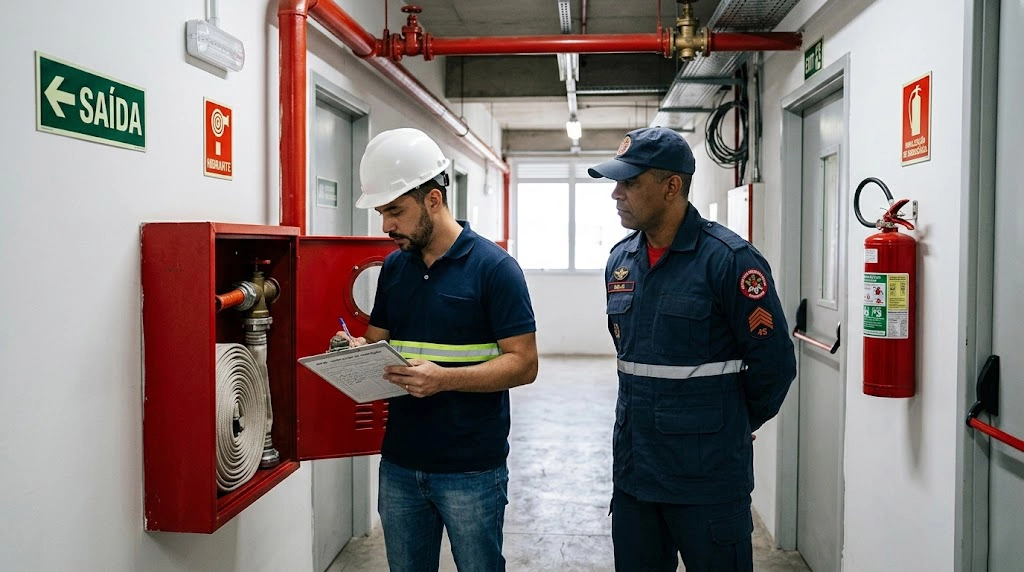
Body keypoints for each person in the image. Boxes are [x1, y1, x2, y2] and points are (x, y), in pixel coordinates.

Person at [588, 127, 797, 572]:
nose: (616, 194)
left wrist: (731, 423)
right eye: (616, 183)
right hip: (635, 477)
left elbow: (774, 365)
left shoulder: (729, 260)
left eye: (630, 182)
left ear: (671, 186)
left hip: (708, 483)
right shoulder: (621, 260)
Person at [340, 127, 538, 572]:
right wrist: (352, 350)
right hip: (400, 465)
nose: (386, 225)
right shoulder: (394, 268)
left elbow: (524, 365)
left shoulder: (496, 270)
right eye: (381, 212)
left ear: (433, 199)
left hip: (473, 469)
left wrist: (445, 378)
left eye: (395, 211)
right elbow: (379, 343)